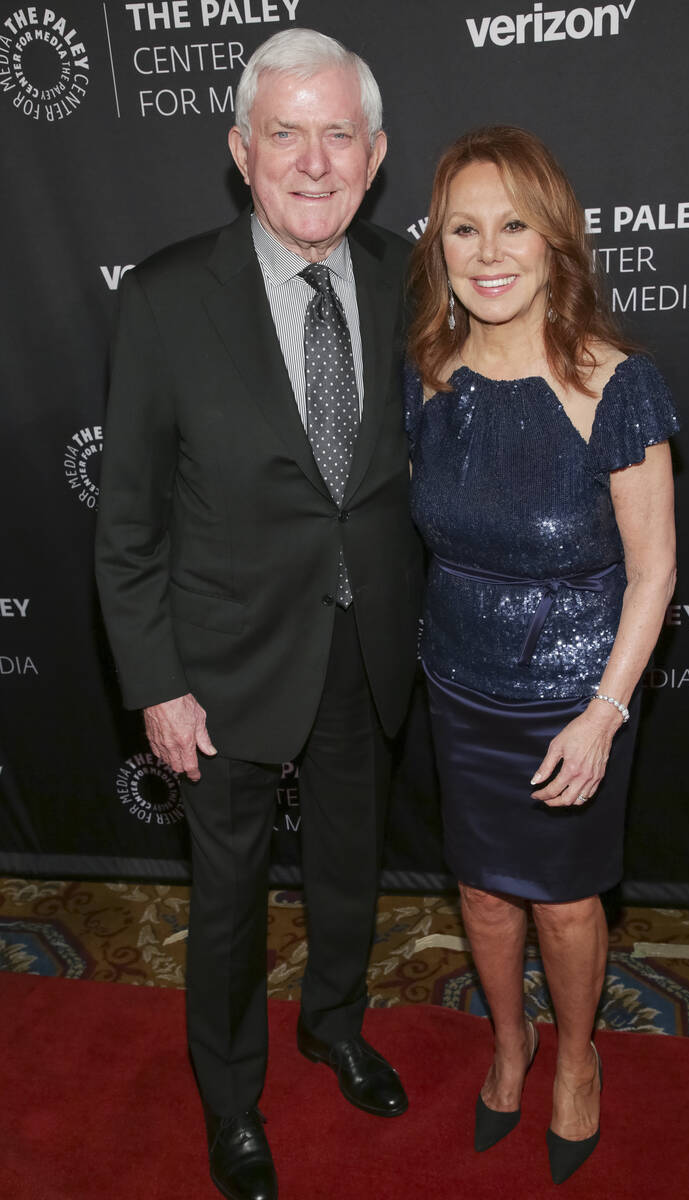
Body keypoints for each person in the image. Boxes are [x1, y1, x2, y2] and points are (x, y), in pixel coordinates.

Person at [96, 29, 422, 1200]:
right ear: (241, 151)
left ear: (376, 154)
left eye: (339, 133)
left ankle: (333, 1022)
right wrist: (155, 680)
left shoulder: (406, 277)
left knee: (348, 868)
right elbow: (126, 521)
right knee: (227, 899)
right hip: (218, 662)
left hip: (363, 640)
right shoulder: (167, 298)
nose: (314, 159)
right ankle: (230, 1101)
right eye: (285, 132)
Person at [405, 126, 678, 1184]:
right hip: (458, 682)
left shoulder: (617, 386)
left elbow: (651, 572)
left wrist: (604, 710)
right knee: (480, 893)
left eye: (512, 223)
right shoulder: (429, 380)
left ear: (555, 237)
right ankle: (507, 1044)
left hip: (572, 693)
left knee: (563, 903)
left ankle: (574, 1058)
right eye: (463, 228)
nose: (487, 251)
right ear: (439, 248)